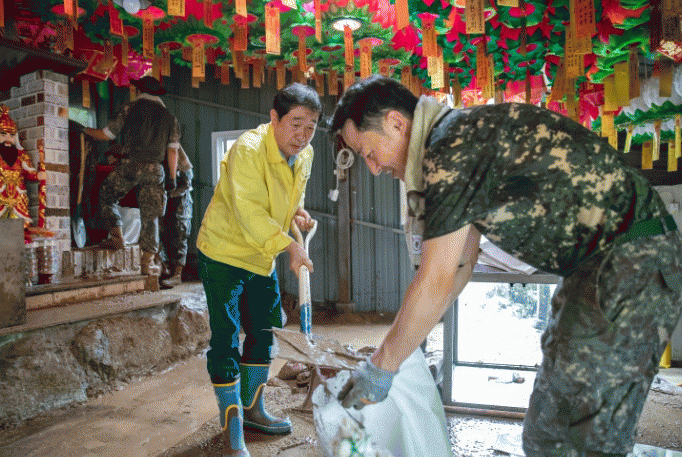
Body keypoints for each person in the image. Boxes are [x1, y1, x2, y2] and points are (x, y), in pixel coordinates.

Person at [328, 75, 682, 457]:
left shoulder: (451, 147)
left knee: (578, 435)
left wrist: (382, 365)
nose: (374, 168)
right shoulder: (453, 142)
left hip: (630, 259)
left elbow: (437, 278)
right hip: (602, 263)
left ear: (397, 123)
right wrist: (400, 352)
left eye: (368, 152)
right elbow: (458, 267)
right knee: (551, 429)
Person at [196, 82, 321, 456]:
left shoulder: (305, 154)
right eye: (295, 123)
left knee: (266, 330)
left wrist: (296, 213)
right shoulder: (247, 149)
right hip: (223, 253)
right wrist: (291, 246)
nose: (302, 135)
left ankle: (253, 410)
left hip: (260, 256)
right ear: (274, 118)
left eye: (311, 126)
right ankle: (232, 429)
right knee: (226, 337)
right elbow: (250, 212)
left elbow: (290, 196)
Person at [84, 76, 180, 276]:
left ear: (138, 91)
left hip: (131, 166)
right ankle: (147, 264)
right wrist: (172, 178)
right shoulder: (170, 117)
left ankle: (117, 237)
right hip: (155, 170)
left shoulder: (130, 108)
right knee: (151, 217)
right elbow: (173, 151)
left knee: (107, 194)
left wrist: (83, 129)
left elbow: (107, 134)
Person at [0, 105, 46, 229]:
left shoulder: (22, 155)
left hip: (18, 198)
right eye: (3, 134)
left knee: (20, 229)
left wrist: (38, 175)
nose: (8, 138)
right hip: (1, 196)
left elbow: (29, 173)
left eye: (11, 135)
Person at [159, 146, 193, 289]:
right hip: (167, 205)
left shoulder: (184, 166)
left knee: (180, 238)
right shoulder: (162, 163)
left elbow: (187, 185)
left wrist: (170, 194)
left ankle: (177, 275)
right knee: (163, 234)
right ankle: (166, 269)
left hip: (181, 206)